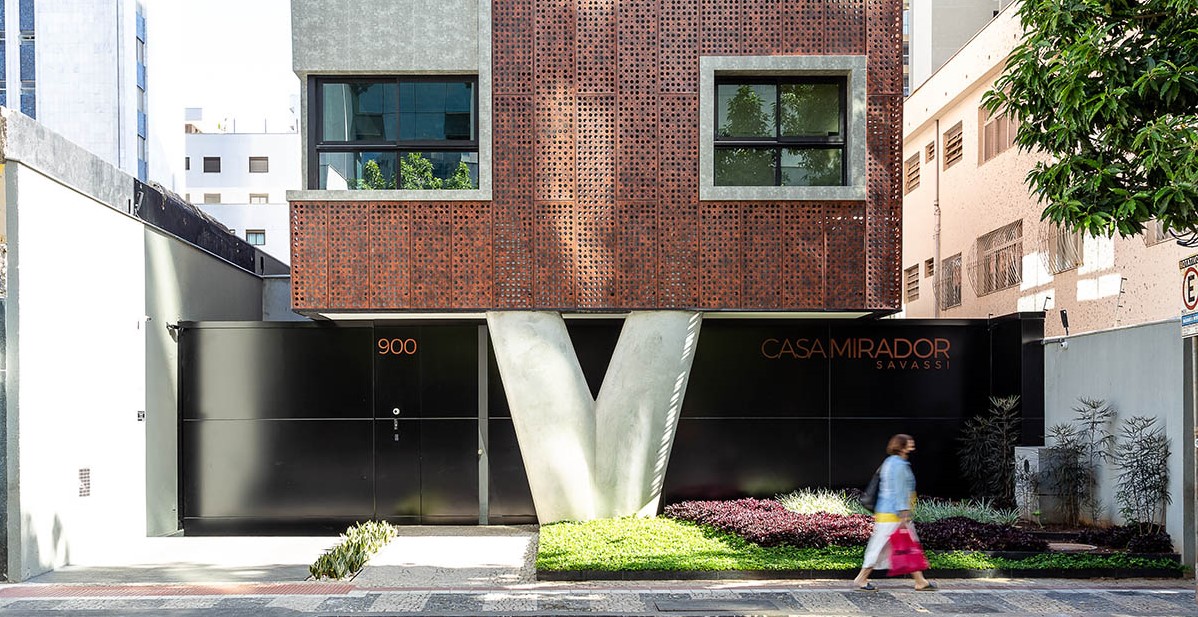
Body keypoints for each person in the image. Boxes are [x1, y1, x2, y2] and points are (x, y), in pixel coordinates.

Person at [852, 433, 937, 591]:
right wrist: (904, 514)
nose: (912, 444)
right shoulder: (898, 465)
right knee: (880, 546)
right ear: (902, 446)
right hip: (893, 514)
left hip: (890, 513)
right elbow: (899, 491)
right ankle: (861, 578)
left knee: (908, 545)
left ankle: (920, 580)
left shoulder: (890, 462)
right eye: (909, 442)